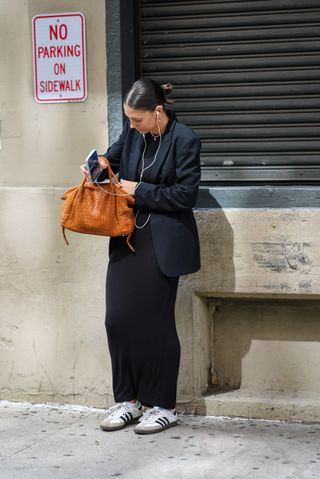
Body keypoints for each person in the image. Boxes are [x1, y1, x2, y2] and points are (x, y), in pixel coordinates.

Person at [81, 78, 201, 435]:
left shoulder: (185, 139)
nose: (132, 126)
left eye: (138, 119)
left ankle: (163, 406)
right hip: (127, 236)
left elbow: (185, 195)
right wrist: (97, 166)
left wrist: (140, 190)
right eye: (129, 119)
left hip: (163, 241)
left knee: (156, 324)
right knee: (117, 319)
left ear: (158, 111)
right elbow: (112, 156)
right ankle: (129, 401)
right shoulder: (133, 134)